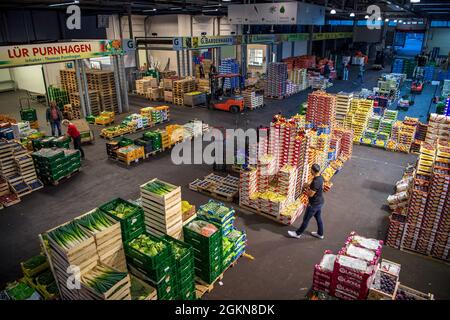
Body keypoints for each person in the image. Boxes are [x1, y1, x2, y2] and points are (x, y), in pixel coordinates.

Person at [288, 164, 325, 239]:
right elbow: (318, 187)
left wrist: (305, 190)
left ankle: (298, 233)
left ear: (312, 171)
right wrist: (308, 185)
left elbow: (311, 194)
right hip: (320, 202)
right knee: (318, 218)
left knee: (306, 219)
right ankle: (320, 234)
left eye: (311, 170)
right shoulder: (320, 177)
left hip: (313, 204)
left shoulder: (315, 182)